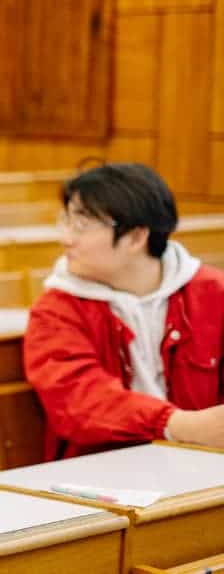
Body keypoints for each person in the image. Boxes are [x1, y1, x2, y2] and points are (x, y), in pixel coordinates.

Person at [25, 163, 224, 459]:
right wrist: (178, 425)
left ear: (135, 237)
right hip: (100, 471)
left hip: (202, 465)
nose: (65, 238)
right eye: (65, 220)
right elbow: (80, 399)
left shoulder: (212, 293)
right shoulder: (56, 309)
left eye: (81, 225)